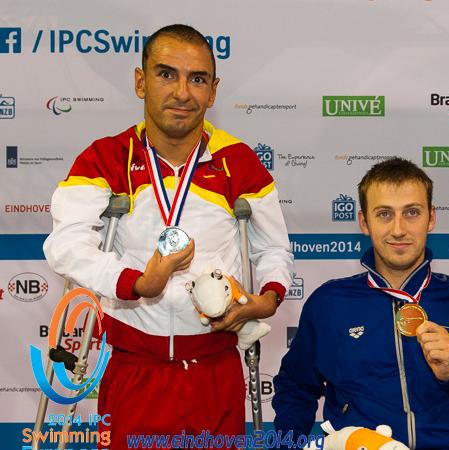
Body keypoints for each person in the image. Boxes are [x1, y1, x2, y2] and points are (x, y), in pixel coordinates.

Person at [43, 24, 293, 449]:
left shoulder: (239, 162)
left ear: (213, 92)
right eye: (166, 74)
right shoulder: (105, 157)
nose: (182, 92)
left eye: (197, 79)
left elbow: (273, 249)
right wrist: (138, 283)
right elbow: (65, 245)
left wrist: (265, 301)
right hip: (134, 368)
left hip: (215, 369)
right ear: (140, 82)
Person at [273, 158, 449, 450]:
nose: (398, 229)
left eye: (411, 212)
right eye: (384, 214)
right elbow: (294, 389)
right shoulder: (329, 304)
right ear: (364, 222)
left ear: (431, 218)